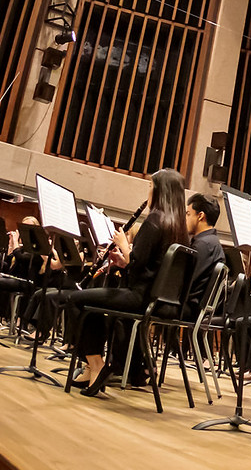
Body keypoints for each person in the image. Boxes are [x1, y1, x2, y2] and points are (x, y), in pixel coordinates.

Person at [66, 169, 189, 395]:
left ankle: (96, 365)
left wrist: (123, 245)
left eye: (151, 186)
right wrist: (124, 262)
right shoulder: (180, 230)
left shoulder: (155, 220)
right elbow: (151, 267)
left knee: (75, 299)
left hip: (140, 296)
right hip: (159, 300)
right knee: (92, 305)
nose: (148, 191)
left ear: (160, 191)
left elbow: (139, 264)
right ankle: (91, 368)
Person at [184, 193, 225, 317]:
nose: (185, 219)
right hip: (197, 309)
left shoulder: (202, 245)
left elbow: (186, 283)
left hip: (188, 309)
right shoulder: (212, 242)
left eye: (188, 214)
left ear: (200, 216)